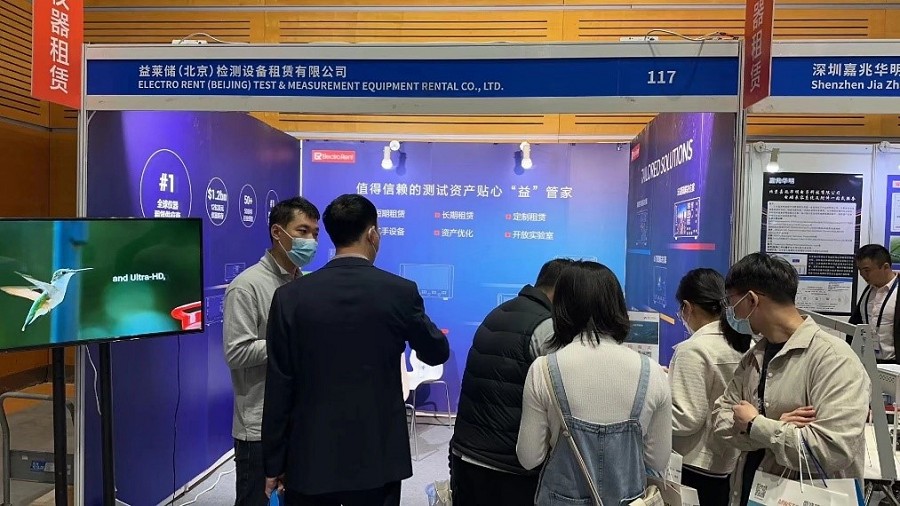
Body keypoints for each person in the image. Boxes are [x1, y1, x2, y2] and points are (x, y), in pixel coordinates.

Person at [262, 194, 450, 506]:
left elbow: (279, 386)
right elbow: (436, 352)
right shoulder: (399, 292)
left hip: (310, 456)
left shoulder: (289, 297)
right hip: (377, 455)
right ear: (372, 234)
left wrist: (273, 463)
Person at [712, 253, 870, 506]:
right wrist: (775, 427)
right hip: (751, 493)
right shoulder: (754, 357)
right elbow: (721, 420)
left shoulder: (834, 359)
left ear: (751, 299)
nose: (731, 313)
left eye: (732, 302)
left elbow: (831, 450)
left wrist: (756, 425)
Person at [517, 261, 672, 505]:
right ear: (617, 305)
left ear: (562, 308)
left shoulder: (543, 369)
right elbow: (658, 460)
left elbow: (529, 458)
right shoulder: (652, 373)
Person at [450, 258, 574, 506]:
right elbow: (562, 396)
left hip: (466, 453)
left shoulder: (498, 312)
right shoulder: (547, 328)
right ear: (563, 292)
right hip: (508, 466)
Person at [223, 197, 320, 506]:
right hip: (258, 428)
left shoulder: (303, 283)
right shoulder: (247, 286)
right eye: (302, 231)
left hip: (297, 422)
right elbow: (236, 353)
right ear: (278, 232)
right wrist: (290, 341)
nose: (310, 240)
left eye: (315, 233)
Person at [670, 269, 749, 506]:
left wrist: (654, 402)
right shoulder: (743, 343)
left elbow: (686, 418)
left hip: (694, 463)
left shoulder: (693, 349)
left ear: (687, 307)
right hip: (728, 460)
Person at [850, 244, 899, 362]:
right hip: (867, 361)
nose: (862, 275)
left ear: (885, 267)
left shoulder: (897, 292)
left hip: (894, 365)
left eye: (867, 270)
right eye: (860, 270)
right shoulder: (868, 291)